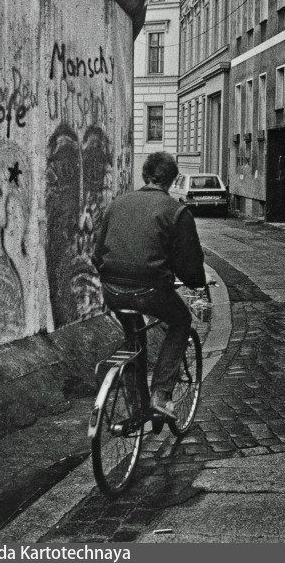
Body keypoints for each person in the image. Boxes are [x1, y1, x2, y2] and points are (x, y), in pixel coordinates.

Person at [92, 150, 206, 422]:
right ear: (172, 179)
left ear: (145, 175)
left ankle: (136, 406)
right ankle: (160, 395)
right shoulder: (176, 211)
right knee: (180, 321)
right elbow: (189, 264)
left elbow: (97, 255)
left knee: (134, 337)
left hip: (112, 290)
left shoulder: (116, 204)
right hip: (150, 291)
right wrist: (197, 282)